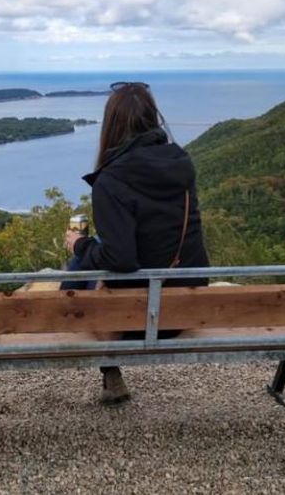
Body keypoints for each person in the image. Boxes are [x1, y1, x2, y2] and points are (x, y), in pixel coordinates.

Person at [61, 81, 210, 405]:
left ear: (111, 125)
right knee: (94, 248)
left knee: (81, 259)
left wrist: (78, 245)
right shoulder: (182, 163)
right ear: (152, 119)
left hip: (139, 317)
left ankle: (104, 366)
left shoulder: (112, 179)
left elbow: (121, 259)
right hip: (189, 305)